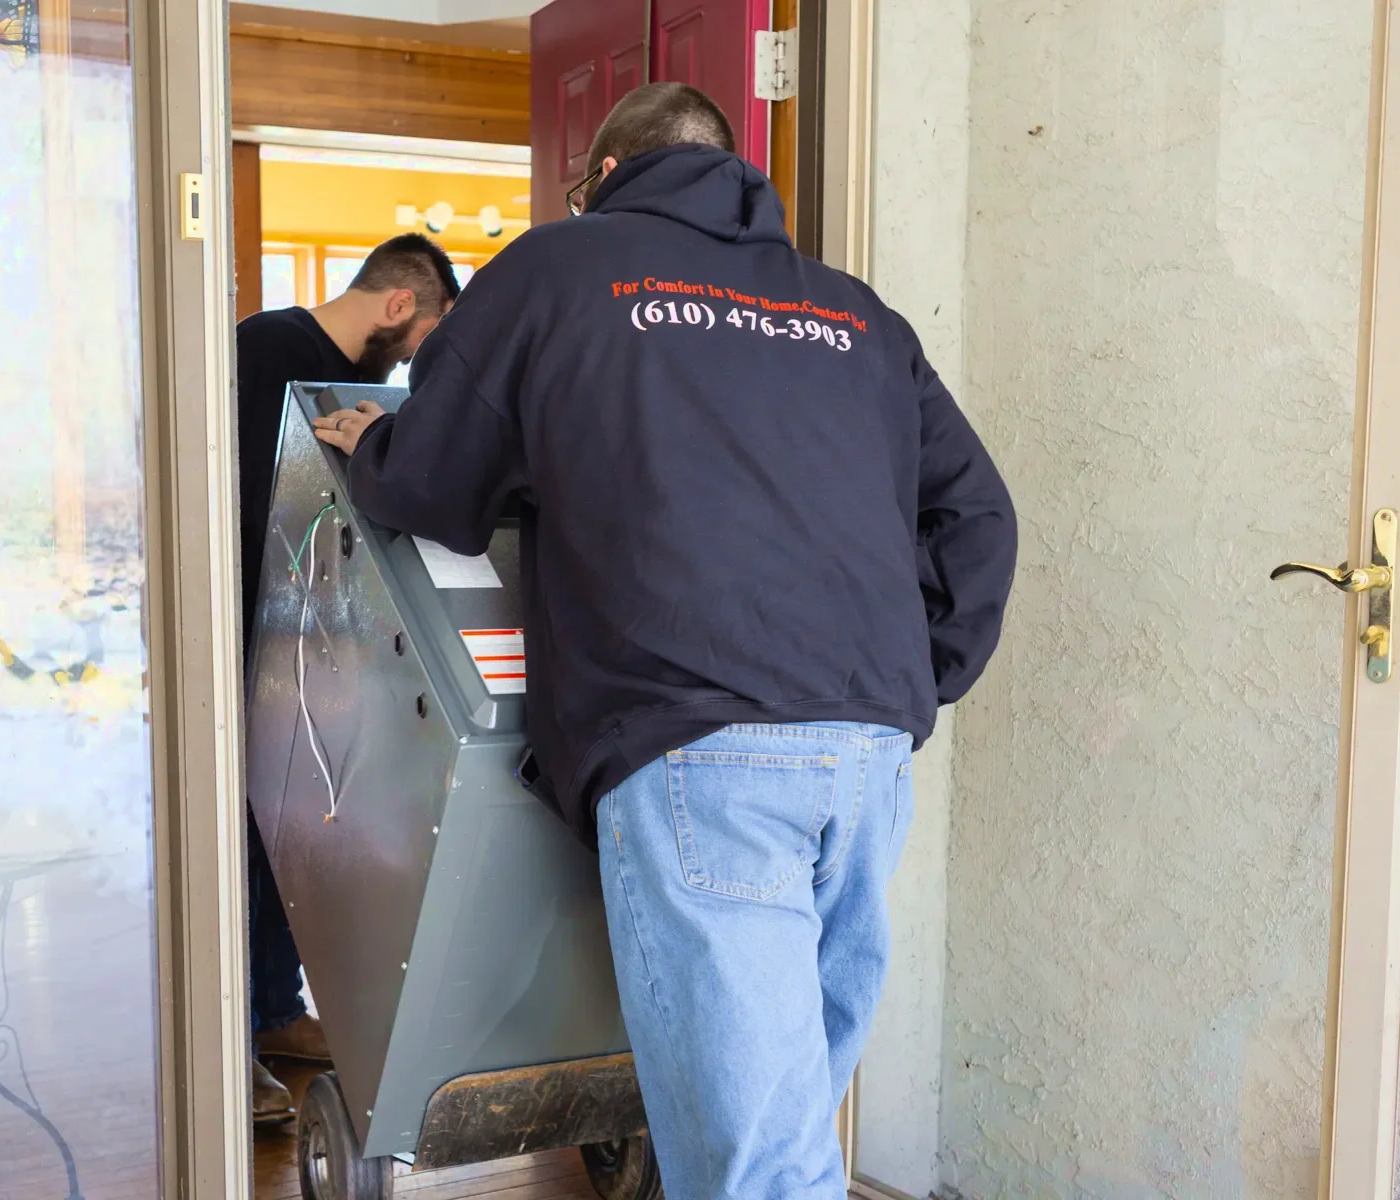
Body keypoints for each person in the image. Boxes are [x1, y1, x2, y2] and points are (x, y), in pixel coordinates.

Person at [313, 84, 1016, 1197]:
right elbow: (977, 516)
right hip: (866, 753)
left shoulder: (560, 269)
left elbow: (439, 478)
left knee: (758, 1166)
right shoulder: (854, 315)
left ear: (603, 176)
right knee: (788, 1125)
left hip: (702, 745)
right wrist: (915, 678)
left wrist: (374, 451)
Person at [236, 232, 461, 1123]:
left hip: (311, 643)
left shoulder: (359, 393)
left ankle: (276, 1010)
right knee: (238, 843)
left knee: (292, 827)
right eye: (421, 338)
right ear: (399, 305)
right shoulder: (266, 350)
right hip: (245, 635)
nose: (412, 363)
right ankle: (230, 1047)